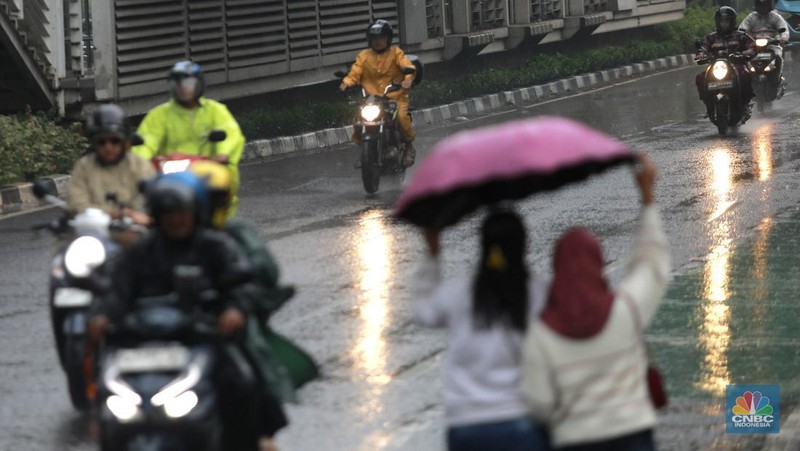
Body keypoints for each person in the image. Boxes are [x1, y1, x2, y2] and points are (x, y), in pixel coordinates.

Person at [87, 172, 273, 451]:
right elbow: (117, 291)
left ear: (195, 212)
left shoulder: (216, 247)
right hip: (142, 341)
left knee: (242, 380)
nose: (175, 219)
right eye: (168, 213)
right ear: (158, 215)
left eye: (181, 212)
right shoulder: (140, 251)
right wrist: (102, 315)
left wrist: (234, 309)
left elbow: (241, 285)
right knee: (107, 385)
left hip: (202, 336)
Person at [520, 154, 670, 451]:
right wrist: (647, 196)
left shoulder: (540, 332)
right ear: (598, 264)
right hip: (634, 435)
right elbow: (653, 265)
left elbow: (539, 404)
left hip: (575, 440)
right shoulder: (625, 310)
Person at [189, 160, 320, 451]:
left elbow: (262, 272)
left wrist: (236, 303)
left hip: (225, 325)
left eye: (214, 199)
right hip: (176, 327)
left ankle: (259, 433)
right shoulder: (169, 234)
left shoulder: (236, 235)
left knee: (245, 374)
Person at [413, 209, 551, 451]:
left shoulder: (459, 291)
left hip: (467, 426)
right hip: (522, 422)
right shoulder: (537, 293)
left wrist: (433, 255)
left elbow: (424, 311)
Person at [132, 60, 246, 217]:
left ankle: (222, 224)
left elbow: (230, 134)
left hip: (207, 171)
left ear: (199, 84)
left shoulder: (216, 111)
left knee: (222, 191)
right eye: (176, 83)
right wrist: (140, 159)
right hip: (169, 174)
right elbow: (147, 139)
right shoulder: (159, 115)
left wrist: (223, 153)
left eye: (187, 82)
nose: (182, 88)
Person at [339, 20, 418, 167]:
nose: (378, 41)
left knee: (402, 117)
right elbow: (355, 72)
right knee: (357, 120)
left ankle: (408, 147)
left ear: (387, 38)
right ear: (370, 40)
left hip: (395, 97)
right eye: (374, 38)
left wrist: (407, 80)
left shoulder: (396, 53)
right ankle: (364, 151)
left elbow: (407, 67)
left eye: (381, 38)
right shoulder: (364, 56)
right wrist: (347, 82)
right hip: (371, 99)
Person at [67, 104, 155, 225]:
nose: (108, 147)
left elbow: (146, 202)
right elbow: (76, 204)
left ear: (126, 143)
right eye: (102, 142)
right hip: (93, 233)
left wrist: (134, 216)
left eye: (115, 141)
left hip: (134, 232)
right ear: (95, 143)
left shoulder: (140, 165)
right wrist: (121, 213)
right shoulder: (83, 166)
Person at [695, 7, 757, 111]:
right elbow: (703, 48)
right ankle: (708, 103)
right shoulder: (711, 37)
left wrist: (747, 53)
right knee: (700, 77)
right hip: (716, 67)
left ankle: (745, 103)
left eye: (726, 21)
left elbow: (752, 46)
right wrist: (701, 54)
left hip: (736, 65)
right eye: (721, 21)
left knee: (745, 75)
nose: (724, 24)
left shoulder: (740, 35)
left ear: (732, 21)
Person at [739, 0, 790, 97]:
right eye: (761, 6)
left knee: (778, 57)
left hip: (772, 45)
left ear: (769, 6)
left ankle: (777, 79)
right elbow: (742, 29)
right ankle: (747, 83)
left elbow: (784, 29)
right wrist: (742, 37)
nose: (763, 8)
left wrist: (783, 38)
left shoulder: (776, 17)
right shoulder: (751, 17)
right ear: (757, 6)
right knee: (744, 60)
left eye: (765, 6)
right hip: (754, 46)